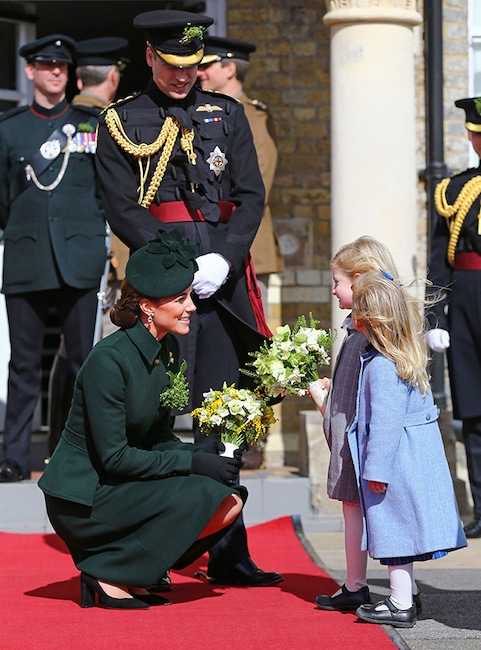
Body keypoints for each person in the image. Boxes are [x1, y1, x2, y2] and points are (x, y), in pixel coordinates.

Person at [95, 9, 282, 588]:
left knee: (224, 412)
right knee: (151, 418)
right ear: (150, 55)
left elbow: (250, 195)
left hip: (223, 281)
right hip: (162, 283)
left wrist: (224, 256)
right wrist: (180, 263)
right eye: (172, 65)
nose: (183, 76)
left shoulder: (226, 114)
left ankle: (227, 546)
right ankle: (146, 548)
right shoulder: (123, 119)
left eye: (193, 65)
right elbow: (122, 205)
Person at [38, 228, 245, 610]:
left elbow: (156, 435)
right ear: (148, 307)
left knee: (227, 498)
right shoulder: (108, 360)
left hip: (122, 481)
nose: (192, 307)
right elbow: (115, 458)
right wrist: (192, 461)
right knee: (205, 492)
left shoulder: (166, 347)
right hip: (85, 498)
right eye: (181, 299)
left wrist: (210, 461)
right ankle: (107, 570)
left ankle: (129, 569)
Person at [0, 35, 108, 482]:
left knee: (84, 361)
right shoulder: (9, 128)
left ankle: (82, 454)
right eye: (46, 65)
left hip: (79, 257)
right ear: (30, 71)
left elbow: (107, 192)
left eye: (62, 65)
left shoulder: (92, 125)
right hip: (26, 256)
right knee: (24, 363)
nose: (55, 71)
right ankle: (14, 455)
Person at [348, 270, 466, 628]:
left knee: (394, 531)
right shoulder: (404, 357)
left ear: (367, 321)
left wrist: (376, 471)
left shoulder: (383, 367)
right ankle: (407, 593)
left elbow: (384, 426)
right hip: (412, 458)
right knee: (400, 529)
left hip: (396, 464)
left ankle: (400, 603)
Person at [310, 236, 419, 614]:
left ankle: (358, 585)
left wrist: (324, 401)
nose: (335, 290)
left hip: (362, 444)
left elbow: (357, 404)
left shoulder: (363, 339)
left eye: (338, 282)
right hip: (363, 441)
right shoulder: (362, 331)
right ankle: (402, 590)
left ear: (358, 281)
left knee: (363, 512)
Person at [47, 36, 130, 455]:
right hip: (108, 255)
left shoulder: (63, 119)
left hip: (73, 253)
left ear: (79, 77)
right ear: (113, 77)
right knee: (105, 352)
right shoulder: (113, 122)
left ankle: (59, 440)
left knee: (71, 349)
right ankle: (95, 444)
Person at [427, 96, 481, 539]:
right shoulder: (455, 190)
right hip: (465, 303)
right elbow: (439, 262)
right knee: (475, 412)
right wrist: (436, 317)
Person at [197, 35, 284, 312]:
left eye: (207, 66)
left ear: (230, 70)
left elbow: (258, 188)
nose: (199, 72)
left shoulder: (253, 117)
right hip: (207, 243)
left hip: (247, 247)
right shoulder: (202, 111)